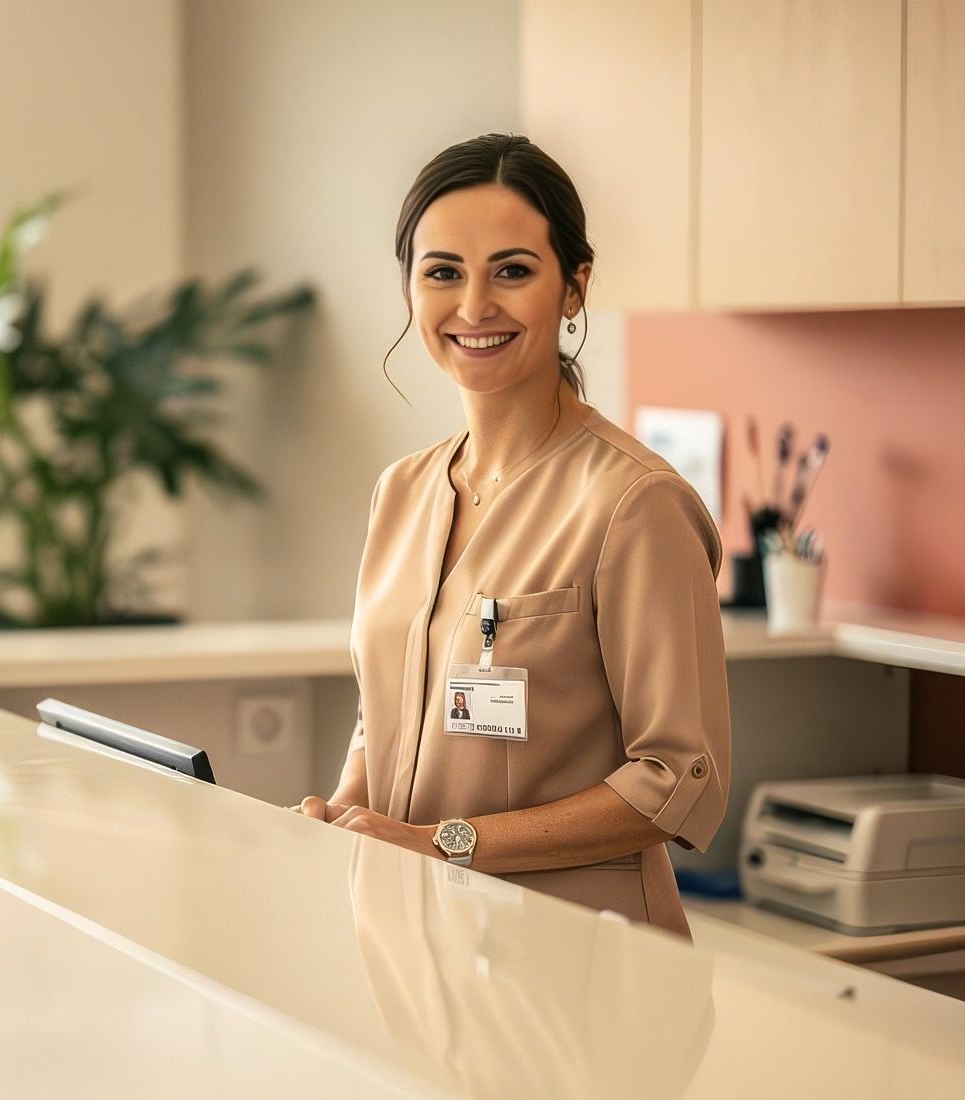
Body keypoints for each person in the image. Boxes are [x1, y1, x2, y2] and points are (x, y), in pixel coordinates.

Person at [296, 133, 731, 939]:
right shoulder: (402, 492)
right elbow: (386, 713)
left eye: (513, 271)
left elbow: (677, 780)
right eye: (442, 273)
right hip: (418, 956)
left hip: (579, 972)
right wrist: (341, 820)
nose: (474, 306)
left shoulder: (635, 505)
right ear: (410, 291)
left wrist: (445, 845)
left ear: (574, 288)